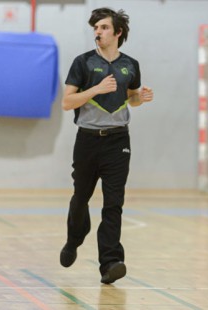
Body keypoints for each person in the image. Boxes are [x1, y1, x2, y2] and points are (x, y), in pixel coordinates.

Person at [60, 7, 153, 284]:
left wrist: (141, 97)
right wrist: (95, 90)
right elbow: (67, 103)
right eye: (95, 28)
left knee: (114, 203)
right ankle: (74, 239)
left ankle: (110, 262)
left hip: (118, 140)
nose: (97, 32)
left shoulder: (131, 65)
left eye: (103, 27)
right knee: (80, 199)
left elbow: (130, 98)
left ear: (118, 32)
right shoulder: (83, 62)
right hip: (87, 140)